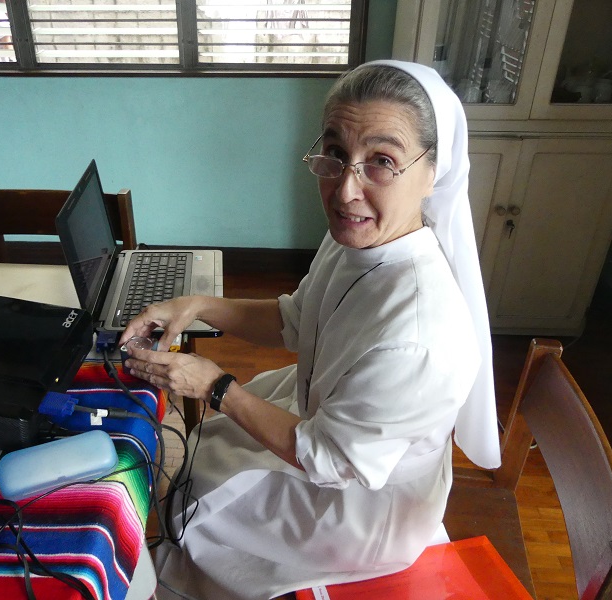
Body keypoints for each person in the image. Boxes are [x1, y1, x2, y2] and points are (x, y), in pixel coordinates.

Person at [120, 60, 501, 600]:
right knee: (187, 457)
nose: (345, 191)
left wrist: (214, 386)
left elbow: (331, 461)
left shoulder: (418, 333)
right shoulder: (360, 239)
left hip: (360, 507)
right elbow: (295, 320)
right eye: (336, 154)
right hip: (326, 426)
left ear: (433, 171)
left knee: (189, 500)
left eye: (382, 162)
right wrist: (197, 305)